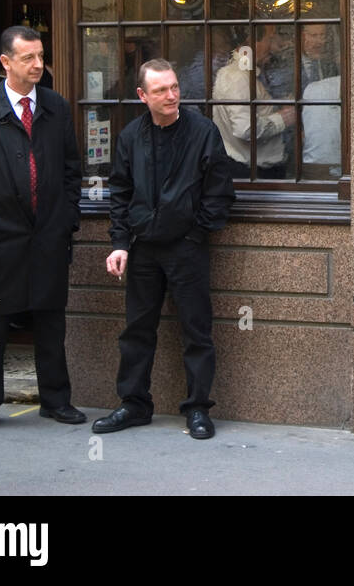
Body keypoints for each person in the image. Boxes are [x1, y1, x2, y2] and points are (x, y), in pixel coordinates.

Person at [0, 26, 83, 436]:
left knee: (49, 319)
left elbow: (70, 171)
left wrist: (66, 219)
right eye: (28, 58)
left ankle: (56, 400)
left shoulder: (56, 108)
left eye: (41, 56)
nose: (38, 65)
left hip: (47, 232)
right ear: (6, 62)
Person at [94, 60, 236, 440]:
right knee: (137, 331)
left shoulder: (203, 132)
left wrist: (196, 230)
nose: (172, 95)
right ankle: (134, 404)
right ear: (142, 95)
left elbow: (220, 190)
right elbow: (120, 194)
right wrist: (120, 243)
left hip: (186, 248)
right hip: (143, 250)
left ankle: (198, 408)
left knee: (196, 330)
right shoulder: (129, 137)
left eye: (174, 87)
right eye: (161, 90)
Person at [213, 24, 297, 178]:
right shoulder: (238, 77)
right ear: (252, 42)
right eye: (270, 40)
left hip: (257, 169)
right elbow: (245, 129)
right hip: (251, 172)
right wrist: (283, 118)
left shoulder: (248, 73)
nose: (275, 46)